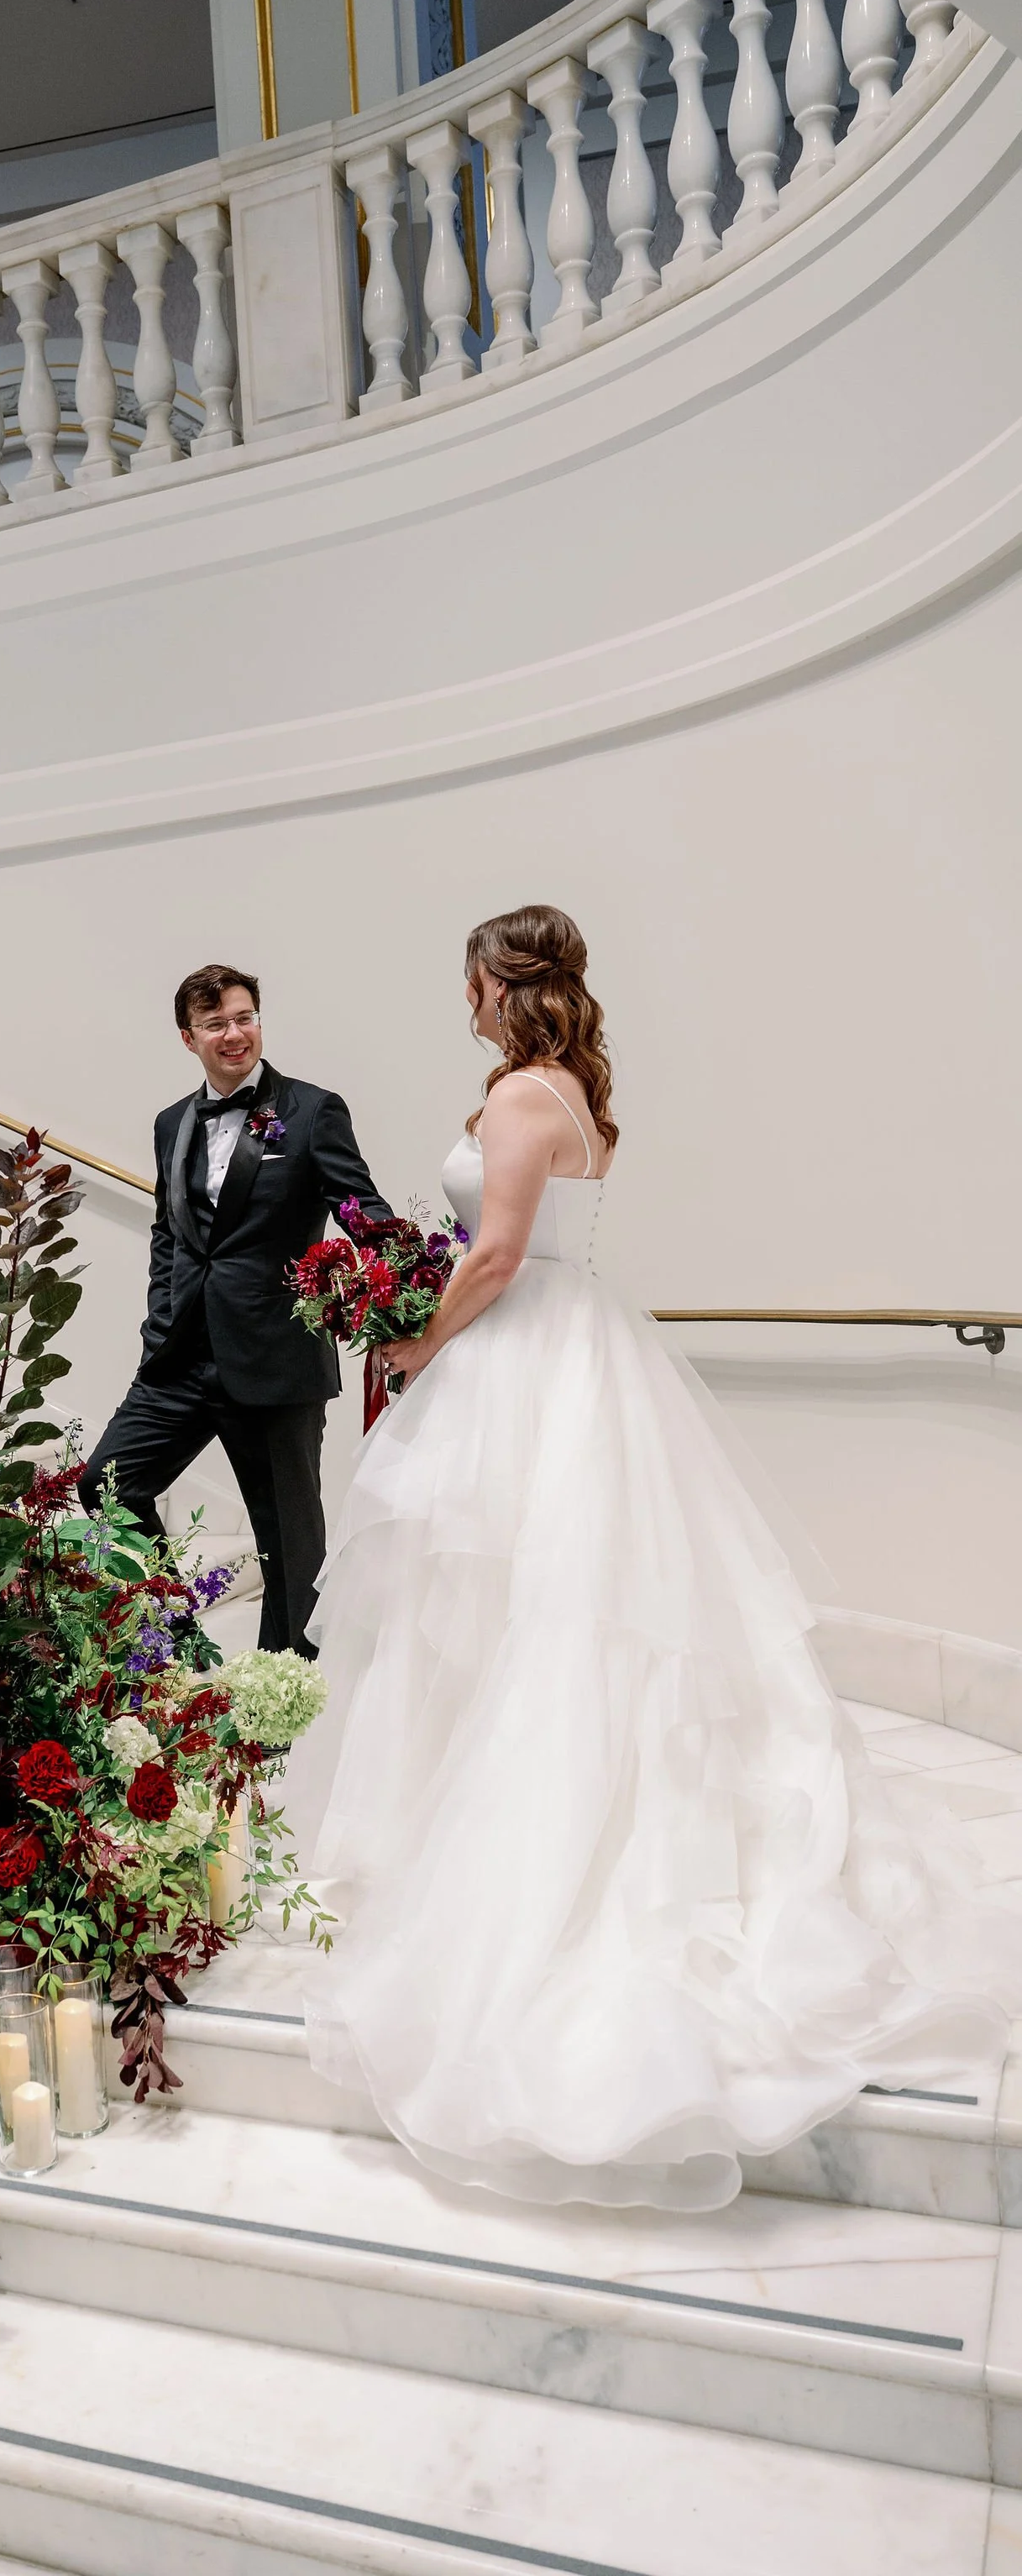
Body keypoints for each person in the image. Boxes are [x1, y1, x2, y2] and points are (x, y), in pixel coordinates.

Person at [302, 904, 1022, 2211]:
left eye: (465, 977)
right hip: (574, 1360)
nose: (458, 998)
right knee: (533, 1613)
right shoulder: (567, 1089)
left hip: (523, 1364)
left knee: (532, 1619)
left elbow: (504, 1255)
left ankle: (528, 1870)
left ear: (493, 981)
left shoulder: (524, 1096)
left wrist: (414, 1339)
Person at [79, 964, 390, 1656]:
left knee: (289, 1546)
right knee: (106, 1487)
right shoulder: (171, 1122)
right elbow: (171, 1230)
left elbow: (361, 1209)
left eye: (245, 1017)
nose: (235, 1034)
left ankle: (286, 1714)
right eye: (217, 1023)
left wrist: (392, 1280)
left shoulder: (312, 1111)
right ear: (188, 1037)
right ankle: (183, 1650)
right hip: (180, 1356)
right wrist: (160, 1315)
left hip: (275, 1359)